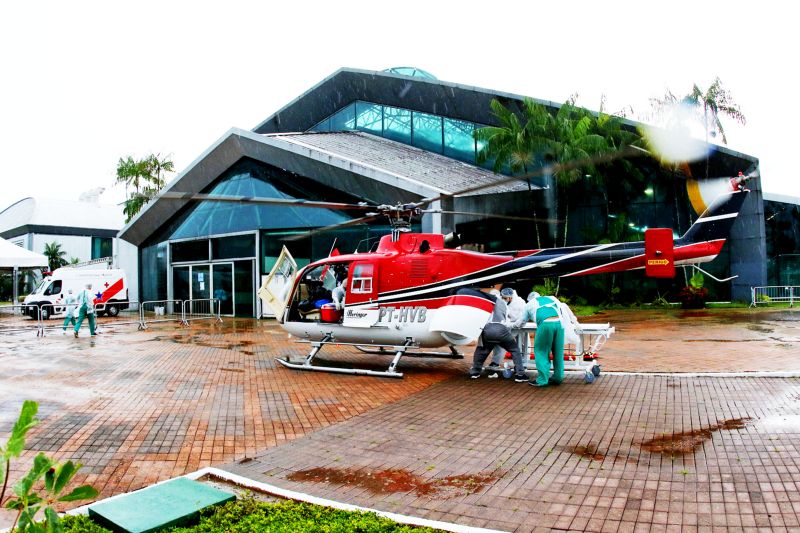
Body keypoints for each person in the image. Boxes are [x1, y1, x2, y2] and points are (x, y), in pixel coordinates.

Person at [513, 292, 577, 387]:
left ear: (529, 299)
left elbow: (521, 322)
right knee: (558, 352)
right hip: (559, 325)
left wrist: (512, 325)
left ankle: (542, 380)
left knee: (541, 351)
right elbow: (564, 309)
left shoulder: (529, 304)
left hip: (546, 324)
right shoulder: (551, 298)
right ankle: (558, 378)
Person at [466, 287, 527, 382]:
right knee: (515, 350)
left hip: (487, 330)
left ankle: (475, 372)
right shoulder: (504, 305)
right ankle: (520, 375)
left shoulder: (486, 303)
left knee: (481, 350)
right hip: (501, 330)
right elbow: (507, 321)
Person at [488, 287, 527, 371]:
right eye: (503, 297)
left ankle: (523, 362)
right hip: (506, 325)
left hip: (519, 325)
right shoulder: (501, 301)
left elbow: (523, 317)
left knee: (523, 343)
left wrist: (514, 323)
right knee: (499, 343)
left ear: (511, 297)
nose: (504, 299)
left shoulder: (520, 302)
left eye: (505, 298)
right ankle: (495, 362)